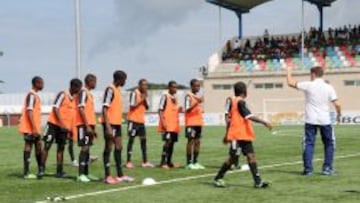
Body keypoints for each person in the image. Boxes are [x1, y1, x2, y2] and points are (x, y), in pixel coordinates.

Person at [214, 81, 272, 188]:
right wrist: (264, 122)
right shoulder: (240, 102)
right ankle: (218, 177)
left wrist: (227, 132)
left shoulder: (231, 100)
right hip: (237, 135)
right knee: (232, 158)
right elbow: (248, 116)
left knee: (251, 156)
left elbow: (227, 117)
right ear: (245, 92)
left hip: (244, 134)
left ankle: (258, 182)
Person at [287, 66, 341, 175]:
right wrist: (339, 115)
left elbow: (290, 82)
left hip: (311, 119)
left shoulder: (309, 85)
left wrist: (288, 71)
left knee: (309, 144)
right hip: (325, 120)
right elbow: (337, 104)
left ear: (313, 74)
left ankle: (308, 169)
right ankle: (327, 168)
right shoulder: (329, 87)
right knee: (329, 143)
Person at [40, 78, 82, 178]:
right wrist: (61, 123)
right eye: (79, 88)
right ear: (73, 87)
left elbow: (72, 115)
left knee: (61, 149)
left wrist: (71, 129)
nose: (79, 90)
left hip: (64, 128)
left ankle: (59, 171)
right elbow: (55, 108)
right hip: (53, 125)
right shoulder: (63, 94)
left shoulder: (74, 98)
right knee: (47, 146)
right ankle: (41, 169)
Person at [100, 70, 134, 184]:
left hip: (117, 123)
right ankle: (107, 176)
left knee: (119, 147)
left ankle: (120, 175)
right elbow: (105, 108)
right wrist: (108, 126)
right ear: (119, 79)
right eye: (124, 79)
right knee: (108, 147)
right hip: (110, 124)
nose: (125, 81)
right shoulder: (110, 89)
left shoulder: (118, 90)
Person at [19, 76, 44, 179]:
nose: (43, 85)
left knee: (38, 146)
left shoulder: (35, 95)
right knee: (28, 146)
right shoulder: (31, 95)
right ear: (36, 83)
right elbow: (29, 112)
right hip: (30, 127)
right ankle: (26, 173)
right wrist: (33, 128)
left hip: (35, 128)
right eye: (41, 83)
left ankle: (40, 170)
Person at [74, 74, 98, 182]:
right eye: (94, 81)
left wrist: (93, 128)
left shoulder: (89, 94)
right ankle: (80, 174)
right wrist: (87, 125)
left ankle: (86, 173)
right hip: (83, 125)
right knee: (84, 148)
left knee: (88, 148)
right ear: (90, 81)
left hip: (89, 125)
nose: (96, 83)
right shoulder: (83, 92)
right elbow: (81, 109)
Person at [126, 79, 154, 169]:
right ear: (139, 85)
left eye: (146, 85)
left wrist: (145, 98)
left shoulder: (144, 95)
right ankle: (128, 162)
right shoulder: (134, 93)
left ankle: (145, 161)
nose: (145, 87)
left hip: (141, 121)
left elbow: (147, 107)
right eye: (143, 85)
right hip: (133, 120)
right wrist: (142, 98)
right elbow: (132, 106)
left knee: (143, 141)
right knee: (131, 140)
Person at [158, 81, 182, 169]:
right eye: (173, 87)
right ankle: (163, 162)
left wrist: (179, 109)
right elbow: (160, 109)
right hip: (167, 124)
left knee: (172, 143)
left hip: (174, 125)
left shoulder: (175, 98)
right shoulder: (165, 96)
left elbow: (173, 109)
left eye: (176, 87)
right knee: (167, 143)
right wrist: (163, 121)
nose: (175, 89)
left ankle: (169, 161)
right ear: (169, 87)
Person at [184, 79, 205, 170]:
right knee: (191, 141)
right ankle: (189, 163)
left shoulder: (197, 96)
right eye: (196, 86)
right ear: (191, 86)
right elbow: (187, 109)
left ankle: (195, 162)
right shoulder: (188, 96)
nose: (198, 88)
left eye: (199, 86)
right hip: (191, 123)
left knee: (197, 142)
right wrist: (197, 102)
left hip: (198, 123)